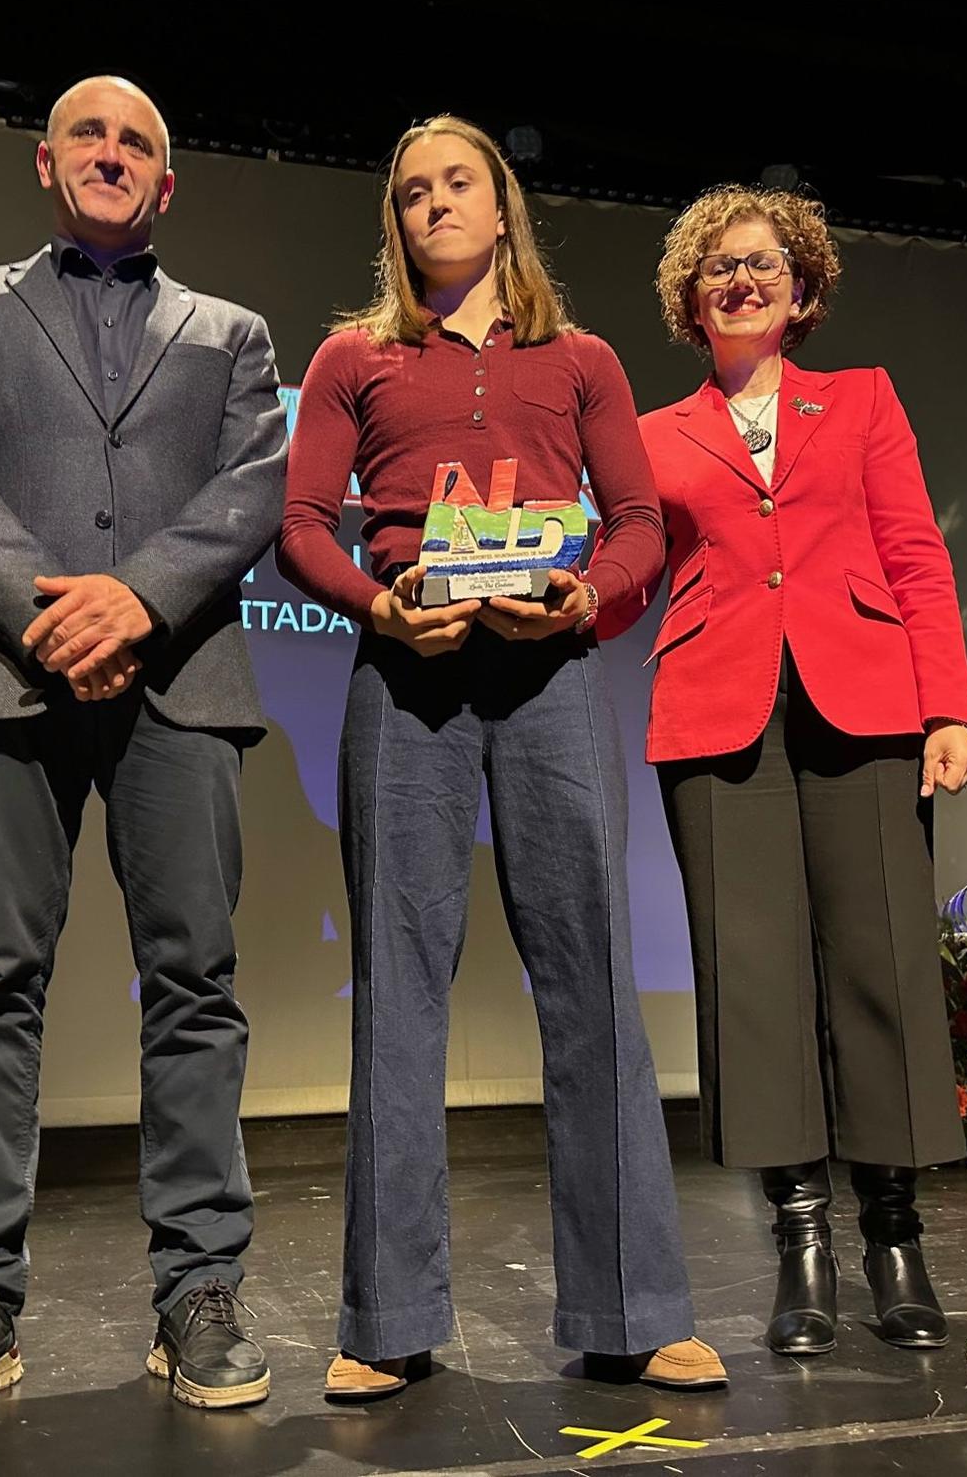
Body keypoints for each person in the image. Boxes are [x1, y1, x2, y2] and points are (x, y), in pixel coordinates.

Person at [277, 116, 724, 1401]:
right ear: (394, 223)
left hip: (549, 672)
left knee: (591, 978)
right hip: (406, 672)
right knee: (399, 986)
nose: (432, 205)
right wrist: (377, 606)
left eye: (455, 182)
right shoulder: (351, 359)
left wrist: (586, 598)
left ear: (501, 202)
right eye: (410, 193)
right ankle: (385, 1318)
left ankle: (636, 1309)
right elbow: (301, 523)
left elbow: (637, 521)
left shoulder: (580, 360)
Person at [0, 76, 286, 1430]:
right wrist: (57, 614)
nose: (114, 155)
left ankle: (199, 1291)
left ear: (166, 187)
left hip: (180, 678)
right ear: (47, 164)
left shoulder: (232, 332)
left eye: (142, 145)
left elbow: (252, 492)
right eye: (91, 137)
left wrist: (141, 600)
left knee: (195, 987)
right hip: (4, 670)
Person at [601, 185, 967, 1359]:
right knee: (754, 985)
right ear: (690, 296)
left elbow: (914, 553)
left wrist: (947, 708)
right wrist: (552, 593)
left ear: (801, 288)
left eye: (762, 263)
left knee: (880, 973)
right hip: (717, 722)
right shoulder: (657, 434)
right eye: (717, 265)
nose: (740, 279)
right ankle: (800, 1247)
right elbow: (628, 568)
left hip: (862, 709)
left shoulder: (861, 402)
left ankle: (895, 1238)